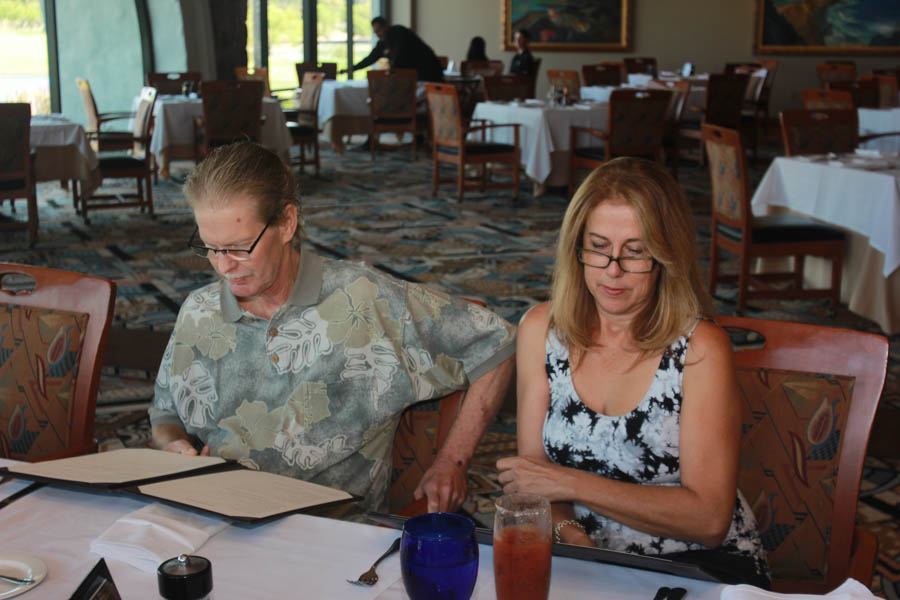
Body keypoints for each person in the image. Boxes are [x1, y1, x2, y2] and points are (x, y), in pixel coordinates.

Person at [150, 142, 515, 516]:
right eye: (210, 247)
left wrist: (452, 462)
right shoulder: (198, 312)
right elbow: (165, 415)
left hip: (331, 533)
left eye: (240, 248)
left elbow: (497, 343)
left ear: (286, 223)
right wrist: (174, 447)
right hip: (217, 516)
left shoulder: (364, 299)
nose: (224, 266)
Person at [496, 158, 769, 586]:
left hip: (694, 567)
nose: (613, 270)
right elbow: (534, 476)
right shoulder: (541, 331)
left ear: (665, 255)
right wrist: (569, 533)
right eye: (599, 247)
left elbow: (709, 519)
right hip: (579, 555)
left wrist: (572, 483)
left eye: (635, 251)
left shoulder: (700, 349)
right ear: (577, 248)